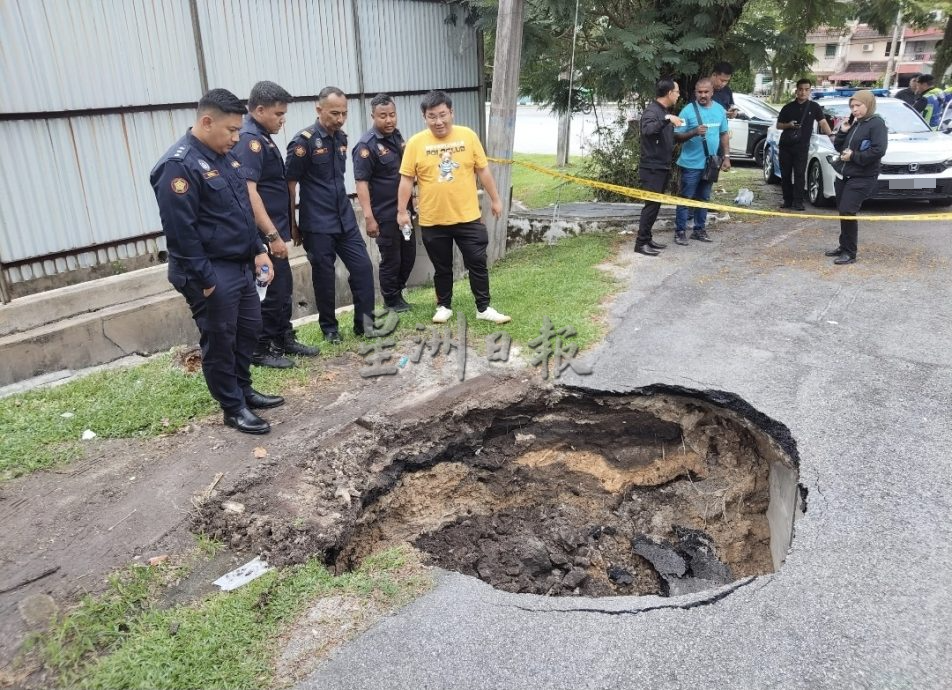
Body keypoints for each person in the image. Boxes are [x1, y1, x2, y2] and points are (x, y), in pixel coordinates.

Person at [150, 89, 283, 435]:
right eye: (231, 130)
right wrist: (206, 280)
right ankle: (232, 407)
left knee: (248, 329)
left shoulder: (224, 156)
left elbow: (240, 210)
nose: (237, 137)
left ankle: (244, 388)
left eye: (240, 130)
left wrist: (257, 249)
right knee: (221, 338)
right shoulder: (177, 166)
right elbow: (181, 233)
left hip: (239, 264)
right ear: (206, 122)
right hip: (209, 269)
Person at [396, 90, 511, 325]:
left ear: (451, 113)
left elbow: (483, 170)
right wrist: (401, 212)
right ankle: (443, 306)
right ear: (424, 117)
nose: (438, 121)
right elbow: (407, 179)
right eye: (432, 116)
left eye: (442, 115)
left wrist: (496, 199)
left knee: (477, 262)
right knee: (442, 267)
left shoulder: (467, 136)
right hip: (432, 219)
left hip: (467, 216)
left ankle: (484, 307)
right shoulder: (415, 143)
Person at [233, 81, 319, 368]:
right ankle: (260, 349)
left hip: (277, 228)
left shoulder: (262, 136)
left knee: (282, 287)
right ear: (259, 110)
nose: (283, 120)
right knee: (267, 291)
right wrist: (270, 235)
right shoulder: (249, 140)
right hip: (264, 234)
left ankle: (283, 338)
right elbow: (249, 191)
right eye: (278, 114)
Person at [286, 86, 376, 343]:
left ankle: (365, 324)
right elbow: (290, 185)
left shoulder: (342, 138)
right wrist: (292, 223)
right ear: (319, 109)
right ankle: (329, 329)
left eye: (344, 113)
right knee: (324, 276)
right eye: (334, 113)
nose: (339, 119)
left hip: (344, 217)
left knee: (362, 267)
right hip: (317, 221)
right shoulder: (303, 142)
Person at [353, 94, 415, 312]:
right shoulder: (366, 145)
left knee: (409, 255)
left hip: (404, 211)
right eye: (383, 116)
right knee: (391, 258)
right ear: (373, 116)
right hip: (384, 213)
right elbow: (361, 183)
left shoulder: (397, 137)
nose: (389, 120)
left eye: (392, 115)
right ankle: (391, 299)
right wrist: (369, 217)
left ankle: (398, 293)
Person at [824, 90, 887, 265]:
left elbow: (878, 150)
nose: (854, 110)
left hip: (863, 176)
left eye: (858, 106)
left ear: (869, 104)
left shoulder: (876, 124)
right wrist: (843, 131)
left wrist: (854, 156)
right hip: (844, 175)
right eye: (852, 106)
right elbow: (838, 147)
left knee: (848, 210)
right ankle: (843, 245)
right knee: (843, 211)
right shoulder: (854, 123)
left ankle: (850, 252)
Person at [673, 78, 731, 245]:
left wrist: (726, 157)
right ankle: (680, 232)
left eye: (706, 92)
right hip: (690, 164)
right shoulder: (687, 111)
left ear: (712, 92)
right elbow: (677, 136)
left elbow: (724, 134)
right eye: (700, 92)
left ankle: (699, 230)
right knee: (685, 198)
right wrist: (694, 132)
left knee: (704, 198)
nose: (703, 95)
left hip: (711, 164)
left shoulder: (720, 110)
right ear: (695, 93)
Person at [635, 78, 684, 256]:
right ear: (669, 93)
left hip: (662, 165)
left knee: (655, 206)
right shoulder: (653, 111)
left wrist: (692, 132)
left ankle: (647, 238)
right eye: (677, 92)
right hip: (652, 167)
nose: (679, 95)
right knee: (651, 205)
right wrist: (666, 119)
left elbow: (667, 137)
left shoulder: (663, 111)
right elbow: (648, 130)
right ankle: (640, 243)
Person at [776, 78, 833, 211]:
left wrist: (831, 136)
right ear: (796, 91)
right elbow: (778, 125)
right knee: (785, 174)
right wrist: (788, 125)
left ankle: (798, 202)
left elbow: (823, 122)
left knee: (800, 174)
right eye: (800, 89)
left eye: (806, 90)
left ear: (810, 91)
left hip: (802, 146)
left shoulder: (814, 107)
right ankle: (787, 200)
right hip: (786, 145)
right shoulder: (788, 107)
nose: (803, 92)